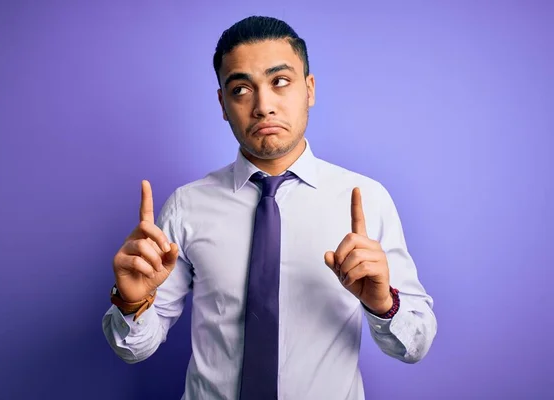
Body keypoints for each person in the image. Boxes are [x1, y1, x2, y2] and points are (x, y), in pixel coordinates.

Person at [102, 15, 437, 400]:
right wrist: (131, 302)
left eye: (280, 82)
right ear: (223, 104)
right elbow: (134, 348)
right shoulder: (187, 205)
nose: (263, 106)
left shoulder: (365, 198)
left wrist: (382, 304)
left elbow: (415, 344)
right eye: (242, 89)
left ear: (309, 89)